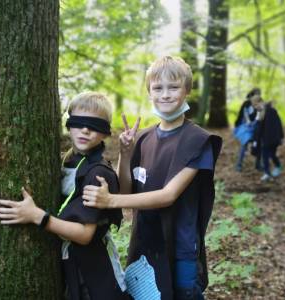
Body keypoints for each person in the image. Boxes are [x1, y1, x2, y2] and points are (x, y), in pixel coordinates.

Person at [82, 56, 222, 300]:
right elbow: (127, 192)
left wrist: (109, 201)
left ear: (187, 90)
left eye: (173, 87)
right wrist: (125, 154)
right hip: (145, 245)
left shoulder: (198, 141)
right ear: (149, 92)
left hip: (182, 248)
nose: (165, 94)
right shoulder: (144, 138)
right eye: (158, 88)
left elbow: (168, 196)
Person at [0, 92, 127, 300]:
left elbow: (84, 235)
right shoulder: (67, 160)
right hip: (71, 266)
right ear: (69, 124)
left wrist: (37, 216)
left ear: (105, 133)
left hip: (96, 275)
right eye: (79, 122)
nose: (85, 129)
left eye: (94, 125)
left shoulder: (97, 174)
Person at [251, 95, 284, 181]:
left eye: (255, 105)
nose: (255, 107)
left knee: (272, 155)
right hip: (264, 140)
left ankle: (278, 166)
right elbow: (258, 129)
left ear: (260, 102)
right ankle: (267, 173)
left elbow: (279, 124)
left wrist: (281, 136)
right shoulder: (259, 113)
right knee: (265, 156)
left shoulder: (271, 111)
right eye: (254, 106)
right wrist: (256, 140)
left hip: (273, 139)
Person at [233, 88, 261, 172]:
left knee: (259, 144)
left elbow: (260, 118)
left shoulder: (259, 105)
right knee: (244, 145)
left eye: (259, 94)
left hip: (255, 128)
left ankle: (258, 165)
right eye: (256, 94)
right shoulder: (246, 104)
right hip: (245, 128)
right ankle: (239, 165)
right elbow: (244, 118)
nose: (258, 96)